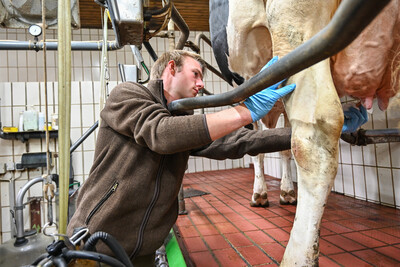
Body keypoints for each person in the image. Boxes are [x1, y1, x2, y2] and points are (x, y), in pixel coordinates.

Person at [66, 50, 366, 266]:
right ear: (171, 68)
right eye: (196, 74)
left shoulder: (184, 119)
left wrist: (320, 133)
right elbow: (160, 133)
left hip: (140, 254)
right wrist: (244, 111)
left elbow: (239, 141)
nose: (200, 84)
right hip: (93, 245)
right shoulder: (127, 95)